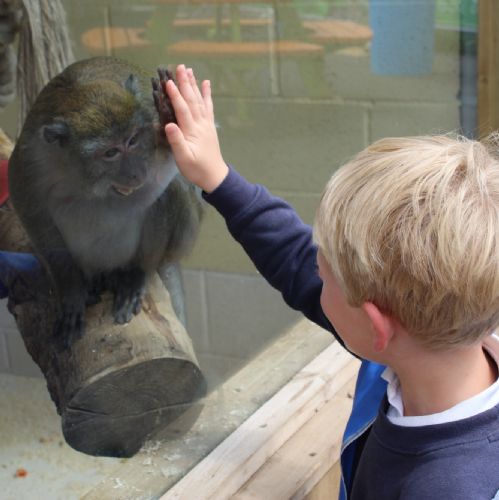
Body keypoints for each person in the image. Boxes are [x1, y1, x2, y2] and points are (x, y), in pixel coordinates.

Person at [161, 64, 499, 499]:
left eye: (325, 278)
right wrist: (218, 179)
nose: (313, 277)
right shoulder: (425, 342)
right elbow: (294, 259)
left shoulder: (449, 487)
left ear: (377, 325)